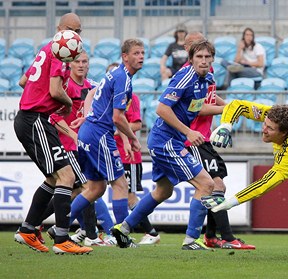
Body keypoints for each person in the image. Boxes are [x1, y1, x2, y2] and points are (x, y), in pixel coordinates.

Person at [110, 39, 216, 250]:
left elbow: (196, 107)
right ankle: (191, 240)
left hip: (169, 140)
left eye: (207, 57)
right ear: (191, 59)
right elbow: (161, 109)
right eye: (199, 57)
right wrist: (188, 131)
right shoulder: (185, 77)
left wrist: (228, 108)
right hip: (165, 140)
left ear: (212, 59)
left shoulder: (208, 79)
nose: (203, 61)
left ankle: (123, 228)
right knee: (207, 184)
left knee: (163, 191)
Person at [13, 12, 92, 255]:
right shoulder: (60, 52)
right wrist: (67, 104)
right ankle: (61, 238)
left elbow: (23, 81)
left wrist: (40, 94)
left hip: (35, 119)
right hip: (35, 119)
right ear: (60, 29)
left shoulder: (48, 49)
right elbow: (56, 91)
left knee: (53, 178)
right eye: (71, 30)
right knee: (67, 177)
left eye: (78, 32)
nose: (75, 36)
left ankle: (27, 230)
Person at [65, 38, 145, 245]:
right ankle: (121, 236)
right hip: (99, 135)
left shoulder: (115, 75)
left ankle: (60, 228)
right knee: (120, 184)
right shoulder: (123, 78)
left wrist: (89, 116)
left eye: (143, 53)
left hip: (89, 132)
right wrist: (133, 138)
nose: (141, 57)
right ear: (125, 57)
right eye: (136, 53)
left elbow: (98, 98)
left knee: (95, 189)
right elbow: (117, 117)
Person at [182, 31, 255, 250]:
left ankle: (212, 236)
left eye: (204, 46)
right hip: (192, 139)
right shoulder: (188, 75)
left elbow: (211, 98)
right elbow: (198, 108)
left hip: (205, 139)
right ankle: (226, 238)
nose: (202, 51)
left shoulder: (208, 72)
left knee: (216, 185)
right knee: (216, 185)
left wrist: (231, 106)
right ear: (188, 50)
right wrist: (227, 109)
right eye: (196, 46)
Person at [40, 51, 107, 247]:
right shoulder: (65, 87)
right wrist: (74, 135)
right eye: (77, 61)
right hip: (66, 145)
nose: (81, 65)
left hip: (82, 147)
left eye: (84, 61)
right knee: (88, 187)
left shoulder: (91, 88)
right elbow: (54, 117)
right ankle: (91, 236)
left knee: (76, 192)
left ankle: (34, 223)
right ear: (69, 64)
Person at [114, 89, 161, 245]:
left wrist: (115, 130)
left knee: (130, 197)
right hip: (113, 154)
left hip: (129, 157)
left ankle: (151, 233)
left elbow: (137, 124)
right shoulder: (110, 99)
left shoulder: (131, 98)